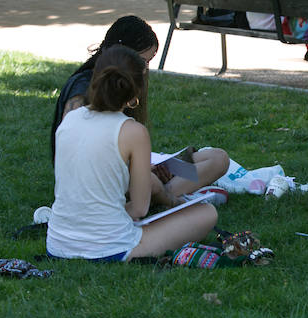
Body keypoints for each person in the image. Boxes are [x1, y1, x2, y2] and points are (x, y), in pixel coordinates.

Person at [47, 45, 218, 261]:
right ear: (135, 91)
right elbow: (139, 209)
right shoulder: (133, 131)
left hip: (57, 243)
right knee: (206, 213)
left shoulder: (70, 118)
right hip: (109, 247)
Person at [50, 16, 230, 206]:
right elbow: (78, 156)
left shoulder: (126, 90)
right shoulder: (82, 90)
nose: (144, 69)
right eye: (142, 61)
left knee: (217, 158)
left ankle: (161, 194)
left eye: (149, 61)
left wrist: (145, 165)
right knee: (197, 208)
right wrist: (138, 169)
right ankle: (159, 196)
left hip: (133, 170)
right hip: (105, 180)